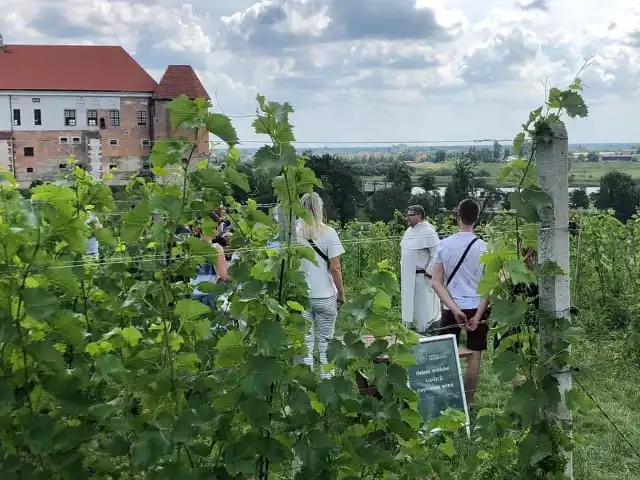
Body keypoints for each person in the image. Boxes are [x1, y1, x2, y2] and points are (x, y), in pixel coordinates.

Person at [430, 198, 489, 406]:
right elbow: (488, 287)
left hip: (451, 306)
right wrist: (479, 316)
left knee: (445, 354)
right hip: (477, 307)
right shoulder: (485, 248)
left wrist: (454, 309)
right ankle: (469, 403)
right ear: (477, 219)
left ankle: (445, 400)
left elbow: (436, 282)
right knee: (474, 355)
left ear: (458, 216)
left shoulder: (444, 245)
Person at [297, 192, 345, 379]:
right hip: (325, 294)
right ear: (320, 208)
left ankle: (306, 382)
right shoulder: (329, 233)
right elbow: (335, 268)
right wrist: (341, 294)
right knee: (326, 341)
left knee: (305, 342)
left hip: (301, 295)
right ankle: (328, 380)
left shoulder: (293, 234)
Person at [400, 205, 440, 333]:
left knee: (422, 310)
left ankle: (424, 331)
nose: (408, 218)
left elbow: (437, 253)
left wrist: (429, 272)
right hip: (408, 277)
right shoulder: (409, 231)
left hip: (422, 277)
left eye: (410, 215)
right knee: (410, 308)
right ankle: (410, 330)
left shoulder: (429, 231)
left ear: (419, 215)